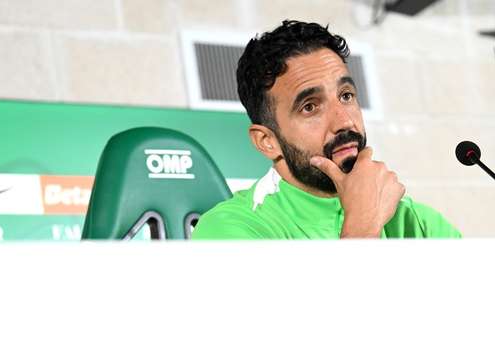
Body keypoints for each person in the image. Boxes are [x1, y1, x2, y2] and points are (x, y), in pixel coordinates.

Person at [192, 20, 461, 240]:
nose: (344, 121)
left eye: (346, 95)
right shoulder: (230, 230)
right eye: (310, 107)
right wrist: (362, 225)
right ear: (266, 141)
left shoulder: (415, 221)